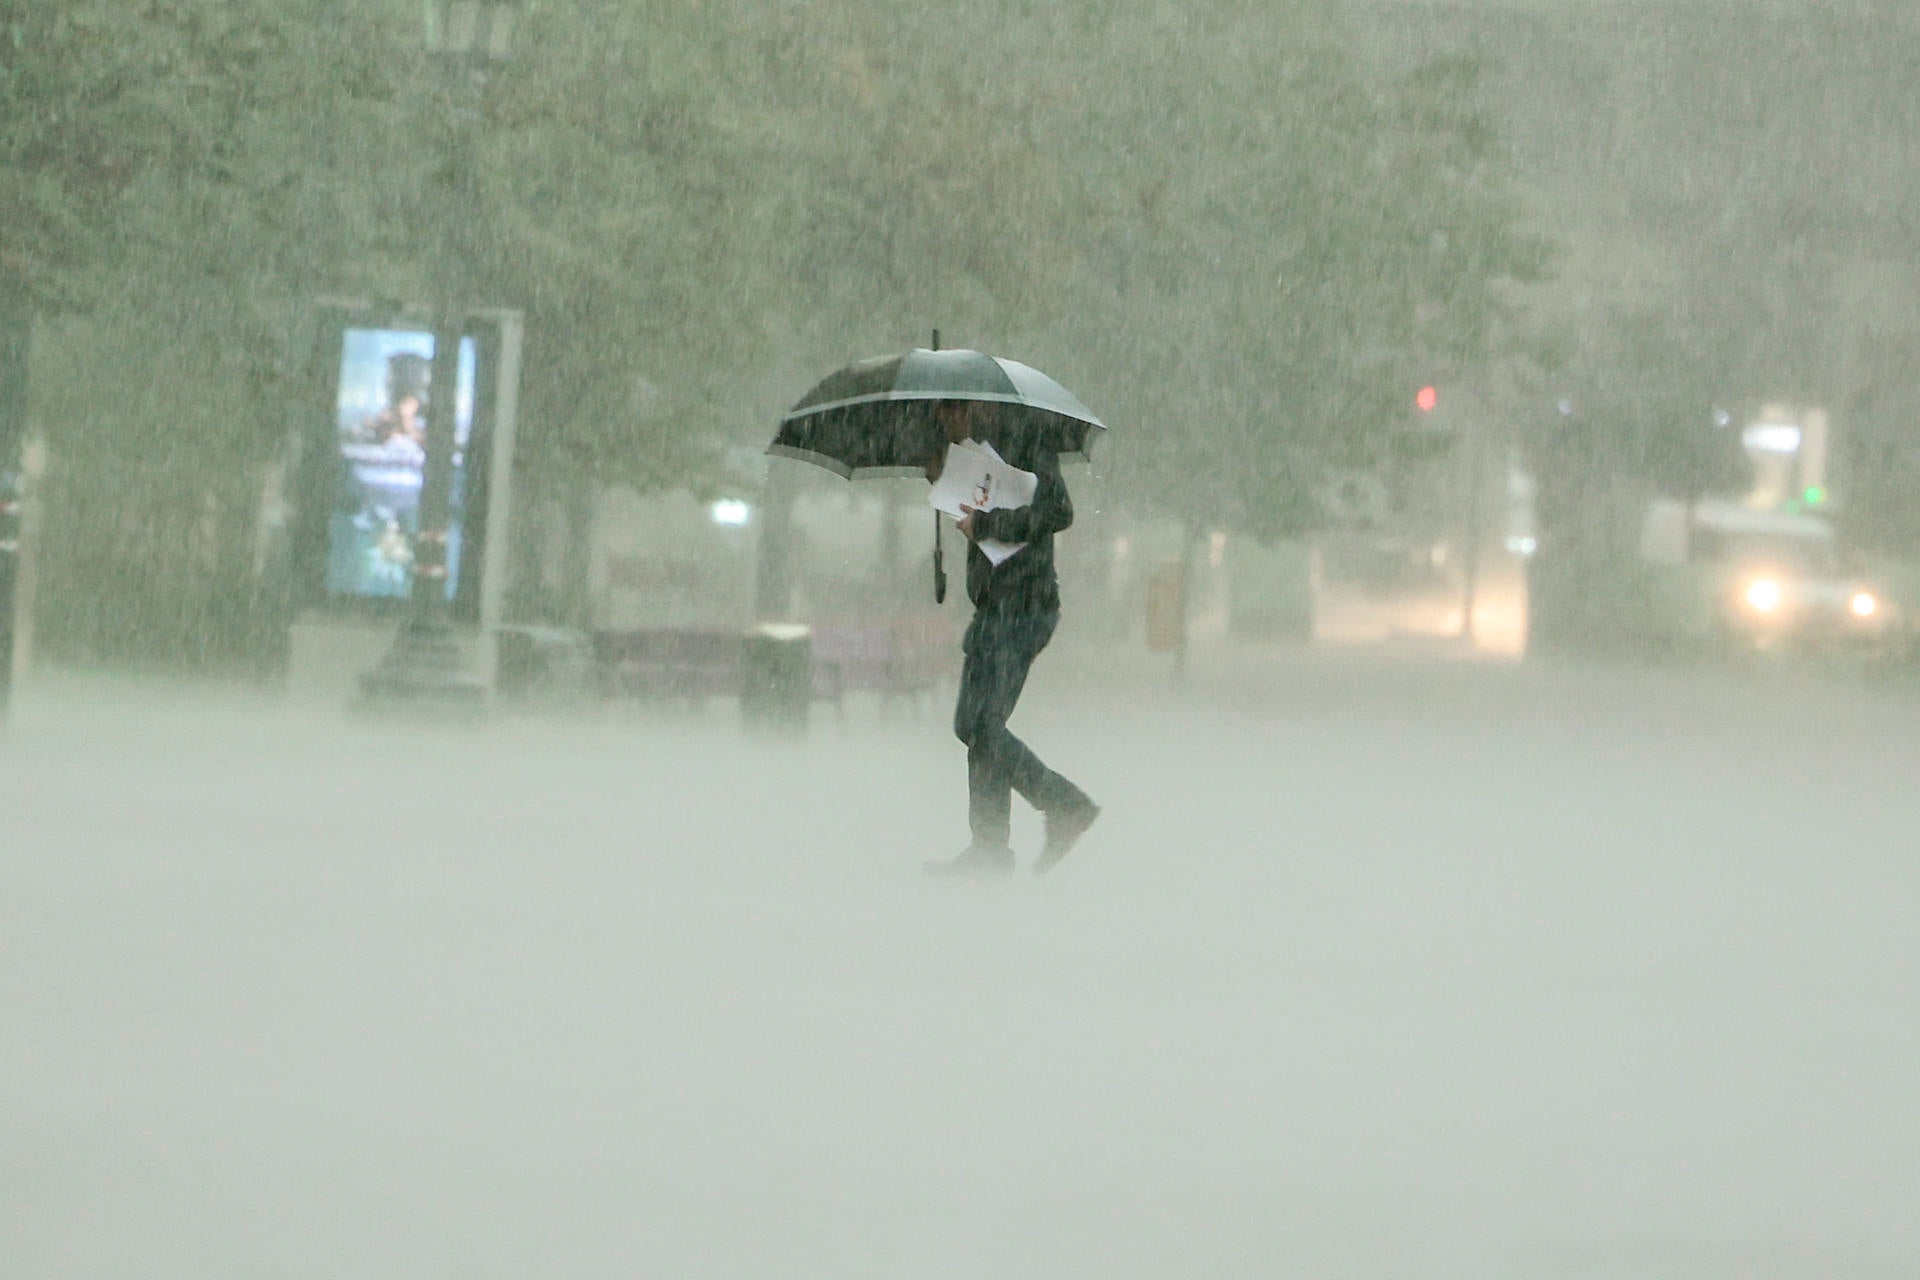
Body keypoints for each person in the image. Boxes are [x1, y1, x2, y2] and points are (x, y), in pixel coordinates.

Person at [922, 398, 1100, 877]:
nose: (945, 424)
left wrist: (987, 524)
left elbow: (1057, 511)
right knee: (972, 725)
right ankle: (992, 848)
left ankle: (1057, 807)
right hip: (994, 608)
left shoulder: (1027, 440)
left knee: (983, 725)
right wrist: (944, 480)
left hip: (1025, 606)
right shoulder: (972, 453)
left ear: (974, 407)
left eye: (949, 414)